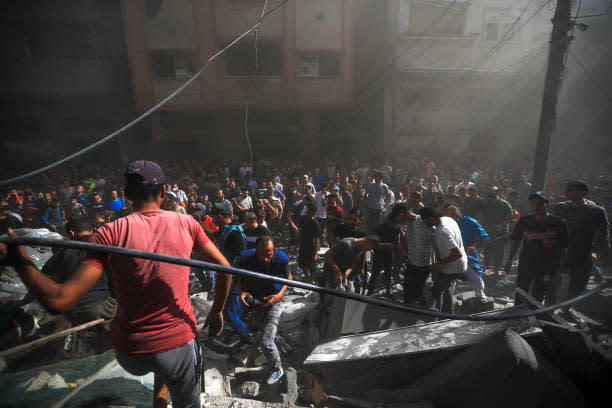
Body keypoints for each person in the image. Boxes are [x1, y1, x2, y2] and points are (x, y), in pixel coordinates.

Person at [1, 160, 233, 408]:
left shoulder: (109, 232)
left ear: (126, 194)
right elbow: (225, 269)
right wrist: (217, 309)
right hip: (176, 345)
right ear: (165, 192)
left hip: (130, 349)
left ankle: (158, 402)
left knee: (161, 372)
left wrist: (20, 260)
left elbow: (60, 300)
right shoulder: (186, 223)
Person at [236, 236, 291, 385]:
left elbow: (289, 277)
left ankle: (277, 368)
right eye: (261, 255)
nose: (265, 259)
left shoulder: (281, 259)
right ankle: (274, 340)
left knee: (266, 342)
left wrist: (279, 296)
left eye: (269, 255)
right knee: (254, 327)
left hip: (272, 301)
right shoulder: (246, 257)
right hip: (255, 300)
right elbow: (238, 275)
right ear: (256, 251)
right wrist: (241, 292)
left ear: (274, 251)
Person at [504, 192, 568, 305]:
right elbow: (516, 240)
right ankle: (517, 315)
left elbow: (563, 248)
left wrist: (560, 272)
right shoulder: (525, 221)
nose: (536, 207)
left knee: (539, 292)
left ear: (547, 205)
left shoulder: (558, 223)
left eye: (540, 204)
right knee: (521, 290)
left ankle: (535, 316)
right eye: (533, 205)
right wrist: (509, 260)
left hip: (547, 265)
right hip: (526, 262)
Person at [551, 180, 609, 298]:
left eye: (570, 190)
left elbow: (603, 234)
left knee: (578, 285)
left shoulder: (596, 211)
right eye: (566, 189)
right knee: (552, 282)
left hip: (583, 253)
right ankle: (548, 308)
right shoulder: (560, 208)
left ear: (582, 192)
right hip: (561, 251)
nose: (565, 192)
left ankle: (566, 309)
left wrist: (594, 251)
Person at [420, 207, 467, 313]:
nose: (424, 223)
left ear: (431, 218)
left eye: (425, 220)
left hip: (454, 267)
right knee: (445, 289)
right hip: (457, 264)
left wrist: (440, 263)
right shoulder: (448, 219)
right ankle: (449, 314)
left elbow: (457, 253)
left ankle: (436, 318)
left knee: (436, 291)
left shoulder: (442, 231)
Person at [445, 206, 489, 300]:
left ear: (458, 215)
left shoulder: (471, 222)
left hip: (468, 255)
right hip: (452, 254)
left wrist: (474, 246)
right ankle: (447, 299)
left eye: (451, 218)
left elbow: (484, 236)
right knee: (450, 278)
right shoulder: (447, 223)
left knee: (475, 277)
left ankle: (480, 295)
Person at [367, 203, 410, 297]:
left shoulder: (397, 227)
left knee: (388, 272)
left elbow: (398, 241)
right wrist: (386, 245)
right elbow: (373, 244)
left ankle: (388, 290)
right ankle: (370, 291)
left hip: (389, 254)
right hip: (379, 253)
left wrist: (400, 252)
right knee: (375, 272)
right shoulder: (381, 229)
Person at [403, 208, 436, 305]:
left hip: (425, 262)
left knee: (419, 286)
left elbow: (436, 243)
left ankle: (421, 306)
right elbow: (407, 238)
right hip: (412, 260)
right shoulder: (411, 222)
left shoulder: (428, 225)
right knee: (408, 284)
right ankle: (408, 304)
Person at [479, 186, 512, 274]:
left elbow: (509, 217)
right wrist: (479, 227)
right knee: (487, 249)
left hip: (501, 232)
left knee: (499, 251)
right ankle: (486, 268)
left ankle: (497, 269)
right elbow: (481, 216)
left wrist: (501, 225)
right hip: (488, 230)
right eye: (489, 191)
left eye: (491, 191)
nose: (489, 193)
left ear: (497, 193)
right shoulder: (485, 204)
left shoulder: (504, 204)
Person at [297, 202, 321, 283]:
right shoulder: (303, 218)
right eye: (307, 210)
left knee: (312, 265)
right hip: (303, 244)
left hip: (312, 246)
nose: (307, 212)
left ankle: (311, 279)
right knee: (302, 262)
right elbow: (300, 231)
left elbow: (317, 238)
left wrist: (315, 253)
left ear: (313, 212)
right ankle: (306, 276)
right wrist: (298, 241)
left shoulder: (315, 223)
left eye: (309, 211)